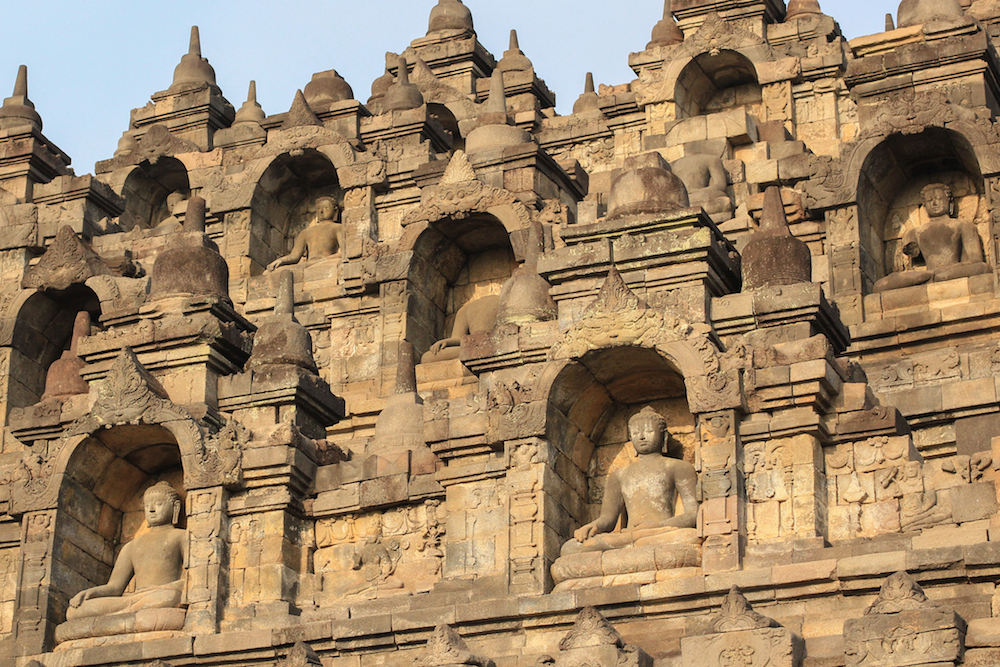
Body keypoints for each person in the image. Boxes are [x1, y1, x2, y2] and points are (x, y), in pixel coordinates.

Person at [561, 406, 699, 556]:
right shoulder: (619, 475)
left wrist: (657, 526)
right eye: (635, 433)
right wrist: (593, 526)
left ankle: (639, 543)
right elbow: (608, 518)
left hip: (660, 533)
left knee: (690, 537)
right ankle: (637, 543)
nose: (642, 437)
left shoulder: (679, 467)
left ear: (664, 437)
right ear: (630, 438)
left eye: (649, 431)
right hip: (627, 536)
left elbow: (693, 514)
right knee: (570, 548)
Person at [66, 481, 187, 620]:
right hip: (134, 600)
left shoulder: (181, 536)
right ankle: (129, 614)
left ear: (175, 507)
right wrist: (90, 593)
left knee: (170, 597)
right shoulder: (131, 546)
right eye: (147, 506)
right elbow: (115, 587)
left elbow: (193, 578)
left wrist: (169, 589)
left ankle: (122, 616)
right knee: (74, 611)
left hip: (161, 595)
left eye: (159, 504)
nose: (152, 509)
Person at [874, 183, 990, 292]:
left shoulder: (963, 225)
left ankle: (935, 277)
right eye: (930, 200)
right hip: (927, 274)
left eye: (939, 199)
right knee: (879, 286)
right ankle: (932, 277)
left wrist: (950, 269)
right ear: (924, 206)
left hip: (952, 272)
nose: (935, 203)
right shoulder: (915, 232)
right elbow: (910, 255)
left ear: (950, 202)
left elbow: (976, 260)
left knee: (983, 268)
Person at [267, 196, 342, 270]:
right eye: (318, 208)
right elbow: (294, 256)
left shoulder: (337, 227)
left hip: (327, 262)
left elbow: (344, 252)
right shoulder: (306, 232)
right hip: (308, 264)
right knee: (269, 272)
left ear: (335, 211)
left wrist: (325, 259)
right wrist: (280, 260)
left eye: (326, 208)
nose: (321, 211)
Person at [420, 294, 500, 363]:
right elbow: (458, 338)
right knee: (426, 358)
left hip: (493, 347)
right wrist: (446, 342)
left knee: (426, 358)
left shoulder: (502, 301)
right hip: (472, 348)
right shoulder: (465, 309)